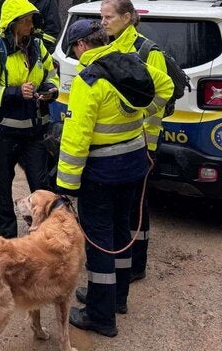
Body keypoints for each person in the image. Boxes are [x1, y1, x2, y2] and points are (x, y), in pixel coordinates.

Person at [58, 19, 171, 338]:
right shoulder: (130, 62)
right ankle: (115, 299)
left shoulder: (89, 80)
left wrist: (66, 186)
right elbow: (166, 87)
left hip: (102, 174)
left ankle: (100, 315)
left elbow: (76, 137)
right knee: (122, 233)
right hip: (134, 167)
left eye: (74, 50)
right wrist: (142, 114)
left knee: (101, 244)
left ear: (82, 45)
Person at [100, 0, 174, 283]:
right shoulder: (111, 46)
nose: (102, 22)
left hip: (144, 143)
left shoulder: (146, 51)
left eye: (108, 17)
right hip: (121, 143)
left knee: (136, 207)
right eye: (102, 17)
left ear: (127, 18)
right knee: (123, 208)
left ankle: (136, 265)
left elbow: (161, 95)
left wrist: (137, 115)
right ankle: (123, 263)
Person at [0, 0, 59, 238]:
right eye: (25, 21)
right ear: (12, 24)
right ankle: (6, 239)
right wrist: (14, 92)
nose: (30, 25)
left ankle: (46, 234)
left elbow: (51, 74)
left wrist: (50, 90)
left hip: (35, 133)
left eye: (31, 20)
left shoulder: (38, 46)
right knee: (2, 187)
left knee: (41, 184)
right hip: (3, 134)